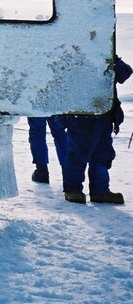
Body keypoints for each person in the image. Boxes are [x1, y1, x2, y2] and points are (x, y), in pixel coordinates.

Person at [60, 55, 131, 204]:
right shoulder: (69, 53)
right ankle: (73, 190)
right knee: (79, 153)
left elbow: (125, 73)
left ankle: (100, 191)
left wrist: (114, 59)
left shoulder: (105, 52)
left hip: (103, 113)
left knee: (103, 154)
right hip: (80, 112)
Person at [27, 116, 68, 183]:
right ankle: (68, 171)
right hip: (55, 106)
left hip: (37, 107)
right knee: (60, 133)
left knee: (37, 132)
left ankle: (41, 171)